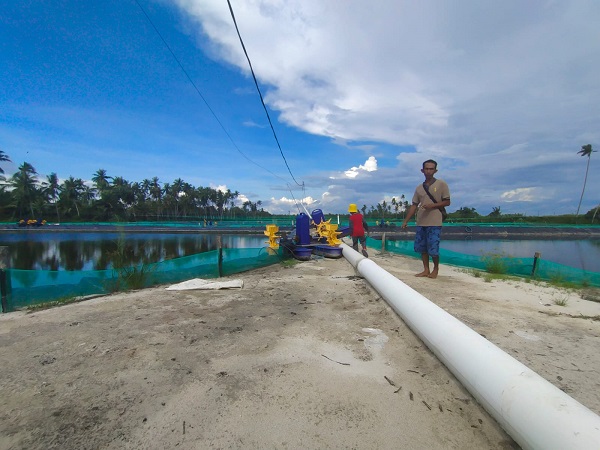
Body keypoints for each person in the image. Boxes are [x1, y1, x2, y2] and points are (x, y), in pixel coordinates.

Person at [402, 159, 451, 279]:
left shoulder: (441, 184)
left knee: (433, 247)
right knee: (422, 248)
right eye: (427, 169)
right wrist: (406, 220)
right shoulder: (419, 188)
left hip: (434, 222)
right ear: (422, 170)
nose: (429, 171)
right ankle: (425, 269)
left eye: (431, 169)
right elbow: (414, 205)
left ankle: (435, 269)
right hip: (421, 222)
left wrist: (432, 206)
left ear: (435, 170)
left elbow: (447, 201)